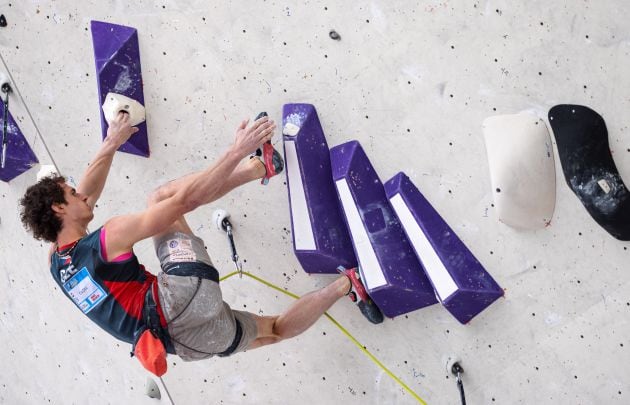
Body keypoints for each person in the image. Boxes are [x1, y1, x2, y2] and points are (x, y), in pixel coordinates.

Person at [19, 111, 382, 368]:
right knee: (164, 199)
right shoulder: (107, 238)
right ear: (58, 209)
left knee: (273, 331)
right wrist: (237, 149)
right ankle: (259, 166)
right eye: (72, 194)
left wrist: (110, 144)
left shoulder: (58, 261)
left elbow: (88, 190)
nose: (83, 195)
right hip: (182, 293)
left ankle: (346, 284)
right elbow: (186, 201)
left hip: (183, 343)